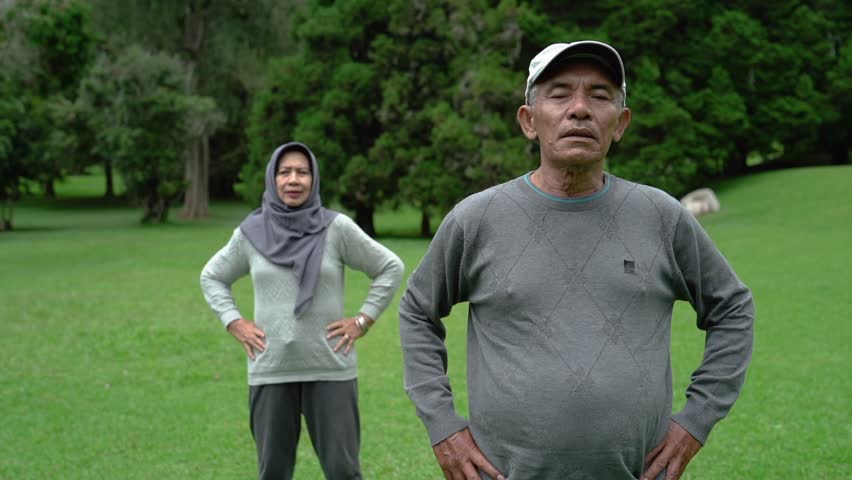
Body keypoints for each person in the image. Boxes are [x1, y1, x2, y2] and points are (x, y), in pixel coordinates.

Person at [399, 41, 755, 480]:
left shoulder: (661, 217)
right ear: (529, 121)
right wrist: (443, 427)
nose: (580, 109)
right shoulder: (477, 219)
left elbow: (733, 308)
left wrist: (696, 420)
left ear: (620, 123)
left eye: (600, 96)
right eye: (560, 94)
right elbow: (417, 309)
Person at [200, 141, 404, 480]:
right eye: (284, 172)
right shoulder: (249, 234)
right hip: (271, 368)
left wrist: (362, 320)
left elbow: (390, 267)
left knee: (343, 471)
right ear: (273, 178)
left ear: (314, 179)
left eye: (302, 172)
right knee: (273, 472)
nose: (293, 179)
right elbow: (212, 276)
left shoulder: (336, 228)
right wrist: (233, 321)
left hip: (330, 367)